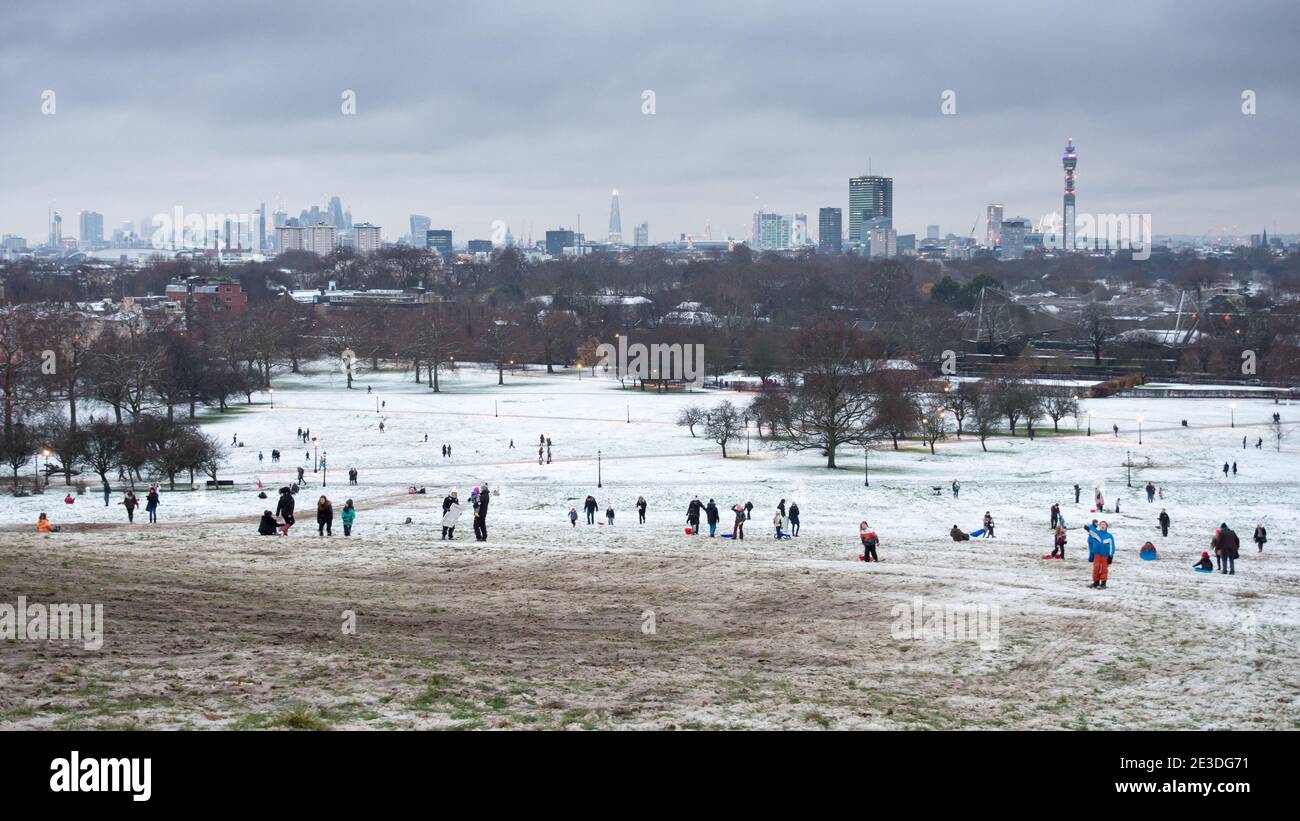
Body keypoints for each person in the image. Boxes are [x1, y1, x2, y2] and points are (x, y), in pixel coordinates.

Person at [1085, 520, 1116, 589]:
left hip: (1105, 556)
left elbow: (1112, 546)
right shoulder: (1096, 534)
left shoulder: (1109, 536)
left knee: (1104, 569)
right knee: (1096, 568)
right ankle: (1096, 582)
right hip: (1097, 555)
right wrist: (1087, 528)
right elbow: (1091, 532)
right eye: (1101, 524)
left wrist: (1110, 556)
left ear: (1106, 527)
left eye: (1104, 524)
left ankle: (1103, 583)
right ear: (1099, 526)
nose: (1102, 525)